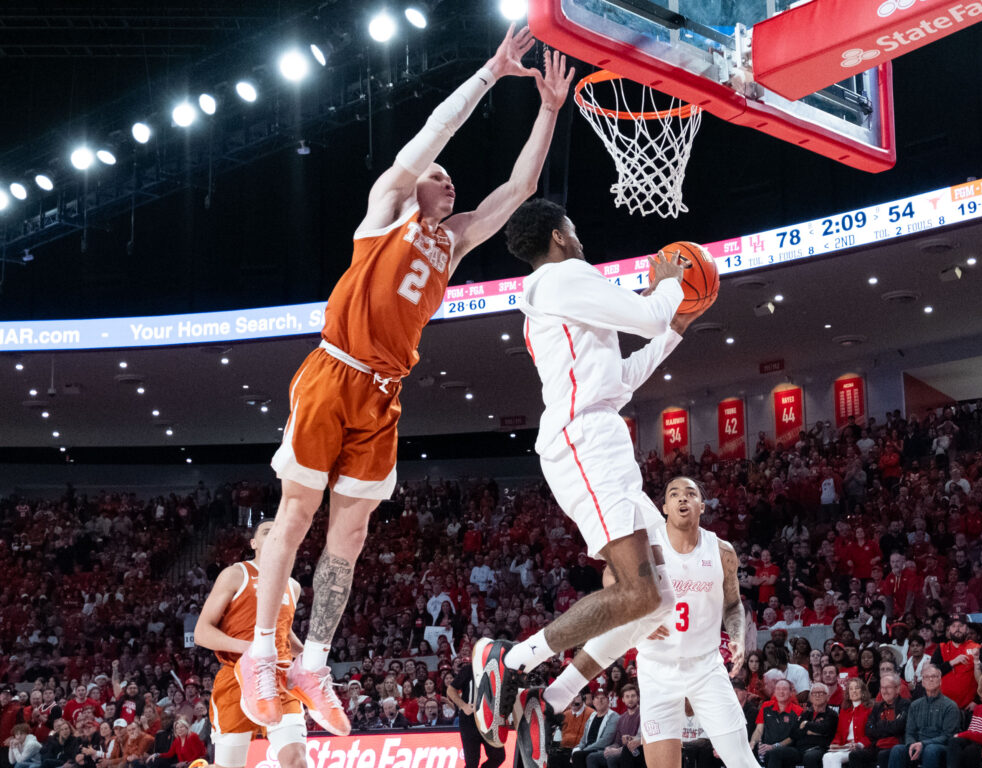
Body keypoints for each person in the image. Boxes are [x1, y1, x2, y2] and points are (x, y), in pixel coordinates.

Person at [237, 27, 575, 735]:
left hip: (385, 393)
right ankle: (263, 654)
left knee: (351, 535)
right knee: (296, 516)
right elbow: (433, 129)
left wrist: (546, 108)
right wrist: (490, 72)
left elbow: (520, 188)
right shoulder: (386, 207)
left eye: (454, 179)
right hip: (335, 372)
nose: (449, 181)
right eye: (441, 173)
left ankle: (313, 661)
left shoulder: (453, 242)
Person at [474, 200, 708, 746]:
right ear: (559, 236)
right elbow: (648, 312)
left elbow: (619, 380)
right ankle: (511, 661)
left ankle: (551, 699)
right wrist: (670, 283)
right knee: (635, 591)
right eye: (575, 229)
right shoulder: (561, 278)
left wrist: (673, 331)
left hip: (598, 434)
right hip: (585, 442)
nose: (581, 240)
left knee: (660, 597)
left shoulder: (557, 296)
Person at [539, 477, 760, 768]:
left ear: (702, 506)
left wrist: (737, 635)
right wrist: (639, 613)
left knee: (742, 760)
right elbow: (610, 578)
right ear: (665, 507)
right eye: (674, 494)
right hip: (657, 672)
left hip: (706, 668)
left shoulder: (721, 551)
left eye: (690, 493)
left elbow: (732, 604)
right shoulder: (648, 546)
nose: (682, 498)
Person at [192, 519, 307, 768]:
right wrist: (252, 649)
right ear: (254, 543)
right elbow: (201, 632)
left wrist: (309, 655)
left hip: (279, 680)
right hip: (236, 678)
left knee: (297, 762)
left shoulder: (293, 586)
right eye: (267, 531)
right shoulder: (236, 574)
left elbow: (283, 632)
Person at [886, 666, 958, 768]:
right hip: (917, 745)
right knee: (897, 749)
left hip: (939, 747)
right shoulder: (915, 705)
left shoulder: (950, 706)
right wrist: (912, 744)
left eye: (934, 676)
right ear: (922, 682)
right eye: (927, 677)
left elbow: (948, 736)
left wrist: (923, 744)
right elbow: (910, 732)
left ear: (940, 680)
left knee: (930, 750)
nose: (931, 679)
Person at [448, 659, 505, 768]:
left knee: (499, 756)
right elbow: (450, 690)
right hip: (469, 721)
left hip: (489, 720)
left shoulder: (498, 670)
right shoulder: (469, 669)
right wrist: (463, 706)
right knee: (472, 762)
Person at [764, 683, 837, 768]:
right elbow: (794, 733)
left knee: (810, 757)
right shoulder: (805, 714)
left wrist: (806, 724)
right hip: (799, 749)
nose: (817, 696)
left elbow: (825, 729)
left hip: (819, 748)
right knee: (774, 752)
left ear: (827, 697)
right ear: (810, 697)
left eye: (821, 693)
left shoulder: (831, 714)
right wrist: (811, 730)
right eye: (814, 693)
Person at [946, 673, 982, 768]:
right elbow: (972, 730)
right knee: (954, 741)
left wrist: (964, 734)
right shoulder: (978, 708)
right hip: (974, 740)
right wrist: (965, 735)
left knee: (971, 750)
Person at [928, 614, 980, 709]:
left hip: (969, 707)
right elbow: (931, 674)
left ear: (967, 629)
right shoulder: (941, 648)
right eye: (953, 626)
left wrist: (976, 701)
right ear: (949, 630)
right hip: (943, 705)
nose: (957, 629)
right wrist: (952, 662)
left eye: (960, 626)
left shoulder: (976, 648)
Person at [584, 685, 639, 768]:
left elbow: (639, 740)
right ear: (623, 699)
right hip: (621, 750)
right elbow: (617, 741)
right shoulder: (622, 718)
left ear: (638, 698)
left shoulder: (642, 715)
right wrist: (610, 748)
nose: (630, 699)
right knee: (592, 757)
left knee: (612, 758)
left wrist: (617, 751)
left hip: (636, 751)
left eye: (633, 696)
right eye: (627, 696)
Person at [821, 679, 871, 768]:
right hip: (845, 747)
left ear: (863, 691)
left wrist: (859, 744)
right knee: (826, 756)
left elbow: (871, 733)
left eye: (857, 688)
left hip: (859, 747)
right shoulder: (844, 711)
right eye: (851, 689)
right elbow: (839, 733)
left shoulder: (869, 710)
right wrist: (835, 744)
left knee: (836, 757)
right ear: (848, 693)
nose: (854, 691)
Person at [750, 680, 803, 762]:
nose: (781, 692)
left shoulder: (798, 711)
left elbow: (793, 737)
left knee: (774, 753)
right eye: (778, 689)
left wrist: (774, 746)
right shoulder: (766, 706)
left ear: (790, 692)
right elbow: (759, 730)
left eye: (784, 689)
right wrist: (752, 743)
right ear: (774, 691)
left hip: (789, 749)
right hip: (767, 748)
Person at [570, 691, 619, 768]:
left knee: (578, 755)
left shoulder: (613, 717)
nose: (600, 701)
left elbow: (605, 741)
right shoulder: (592, 716)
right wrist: (577, 748)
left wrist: (584, 750)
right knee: (571, 753)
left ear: (608, 701)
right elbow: (584, 739)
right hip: (588, 749)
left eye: (603, 698)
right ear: (593, 702)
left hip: (602, 750)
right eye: (597, 698)